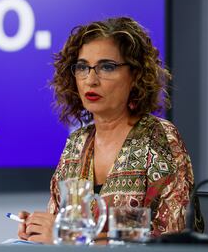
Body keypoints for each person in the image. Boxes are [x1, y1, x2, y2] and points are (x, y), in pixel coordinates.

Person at [17, 17, 204, 244]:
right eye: (82, 67)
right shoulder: (76, 144)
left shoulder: (159, 138)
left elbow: (174, 238)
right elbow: (61, 228)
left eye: (107, 67)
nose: (91, 80)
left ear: (135, 75)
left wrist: (69, 236)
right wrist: (38, 229)